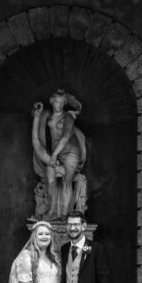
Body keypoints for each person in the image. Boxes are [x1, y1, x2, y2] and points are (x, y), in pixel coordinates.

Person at [31, 89, 88, 219]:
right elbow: (36, 130)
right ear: (52, 102)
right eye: (57, 102)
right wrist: (37, 113)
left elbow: (66, 136)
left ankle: (64, 214)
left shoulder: (68, 116)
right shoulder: (49, 116)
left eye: (62, 102)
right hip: (55, 153)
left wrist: (54, 154)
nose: (60, 105)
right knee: (50, 180)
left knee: (66, 182)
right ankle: (51, 210)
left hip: (70, 152)